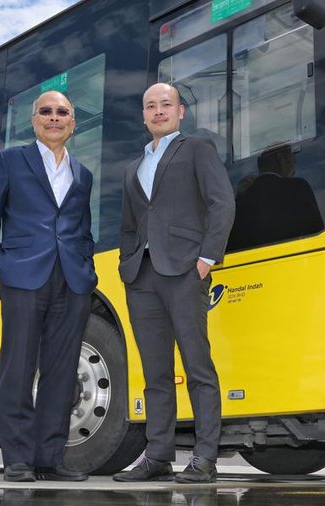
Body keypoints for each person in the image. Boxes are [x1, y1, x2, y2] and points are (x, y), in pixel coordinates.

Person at [114, 83, 235, 484]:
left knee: (198, 366)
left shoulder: (197, 149)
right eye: (150, 106)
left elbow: (222, 203)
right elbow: (130, 224)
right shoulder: (134, 167)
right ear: (143, 116)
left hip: (184, 271)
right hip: (142, 277)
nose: (158, 111)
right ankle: (158, 456)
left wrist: (206, 259)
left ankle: (204, 458)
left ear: (181, 111)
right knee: (155, 374)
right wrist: (126, 263)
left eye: (166, 104)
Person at [0, 90, 96, 483]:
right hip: (22, 276)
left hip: (72, 280)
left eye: (63, 112)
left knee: (62, 372)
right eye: (46, 111)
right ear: (34, 121)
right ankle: (17, 459)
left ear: (73, 123)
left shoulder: (84, 174)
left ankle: (50, 458)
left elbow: (82, 229)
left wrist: (87, 267)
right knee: (18, 366)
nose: (54, 117)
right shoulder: (11, 160)